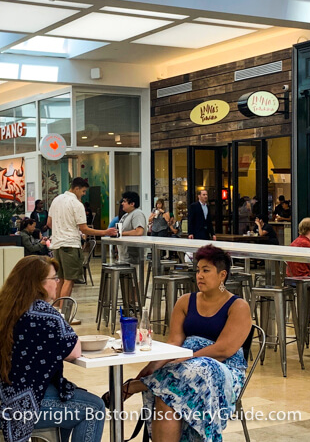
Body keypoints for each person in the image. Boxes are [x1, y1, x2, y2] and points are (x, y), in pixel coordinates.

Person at [116, 245, 250, 441]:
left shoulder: (238, 306)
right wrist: (152, 366)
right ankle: (146, 382)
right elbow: (174, 344)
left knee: (201, 367)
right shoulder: (186, 301)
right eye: (198, 270)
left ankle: (139, 386)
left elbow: (224, 349)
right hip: (183, 366)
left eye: (206, 270)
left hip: (223, 369)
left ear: (222, 275)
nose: (199, 276)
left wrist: (188, 357)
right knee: (167, 397)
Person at [0, 256, 104, 442]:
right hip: (13, 408)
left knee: (71, 399)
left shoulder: (0, 308)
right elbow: (74, 351)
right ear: (38, 284)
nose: (57, 283)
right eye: (54, 278)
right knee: (93, 408)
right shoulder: (42, 313)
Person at [46, 177, 117, 305]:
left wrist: (62, 228)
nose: (84, 194)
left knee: (60, 279)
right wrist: (105, 232)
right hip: (70, 245)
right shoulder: (76, 204)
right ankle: (64, 314)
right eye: (83, 191)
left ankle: (56, 311)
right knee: (69, 280)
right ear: (76, 188)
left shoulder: (56, 200)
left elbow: (49, 223)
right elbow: (84, 229)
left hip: (56, 245)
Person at [118, 191, 148, 265]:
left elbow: (138, 232)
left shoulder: (137, 214)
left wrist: (121, 233)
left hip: (134, 257)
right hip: (125, 255)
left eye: (124, 201)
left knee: (135, 275)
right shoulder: (125, 215)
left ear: (132, 203)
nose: (122, 203)